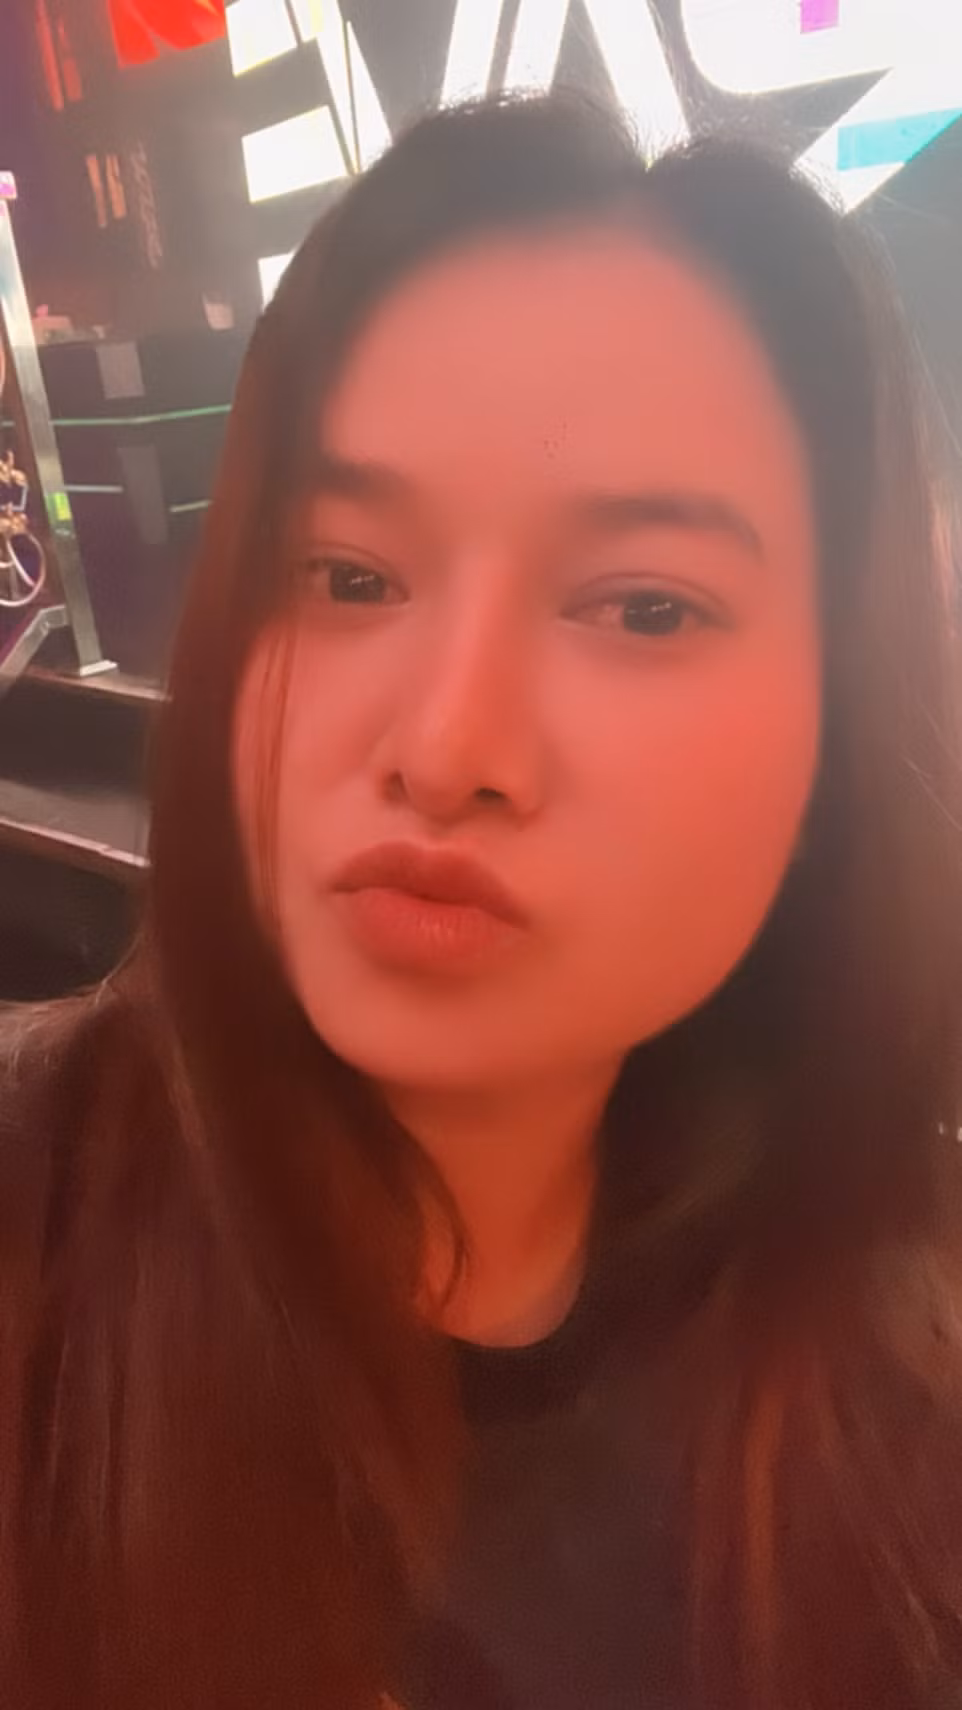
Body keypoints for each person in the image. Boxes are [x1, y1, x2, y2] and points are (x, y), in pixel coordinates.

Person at [2, 90, 962, 1710]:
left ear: (839, 734)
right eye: (348, 574)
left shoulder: (900, 1368)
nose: (447, 748)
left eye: (642, 607)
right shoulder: (40, 1251)